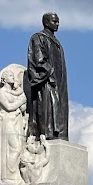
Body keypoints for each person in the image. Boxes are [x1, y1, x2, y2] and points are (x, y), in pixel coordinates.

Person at [26, 11, 69, 141]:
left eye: (58, 21)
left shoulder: (57, 43)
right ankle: (48, 133)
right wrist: (49, 73)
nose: (57, 24)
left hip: (59, 82)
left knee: (60, 107)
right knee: (48, 108)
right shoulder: (38, 37)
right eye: (54, 21)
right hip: (47, 82)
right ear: (46, 22)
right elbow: (38, 59)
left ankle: (60, 133)